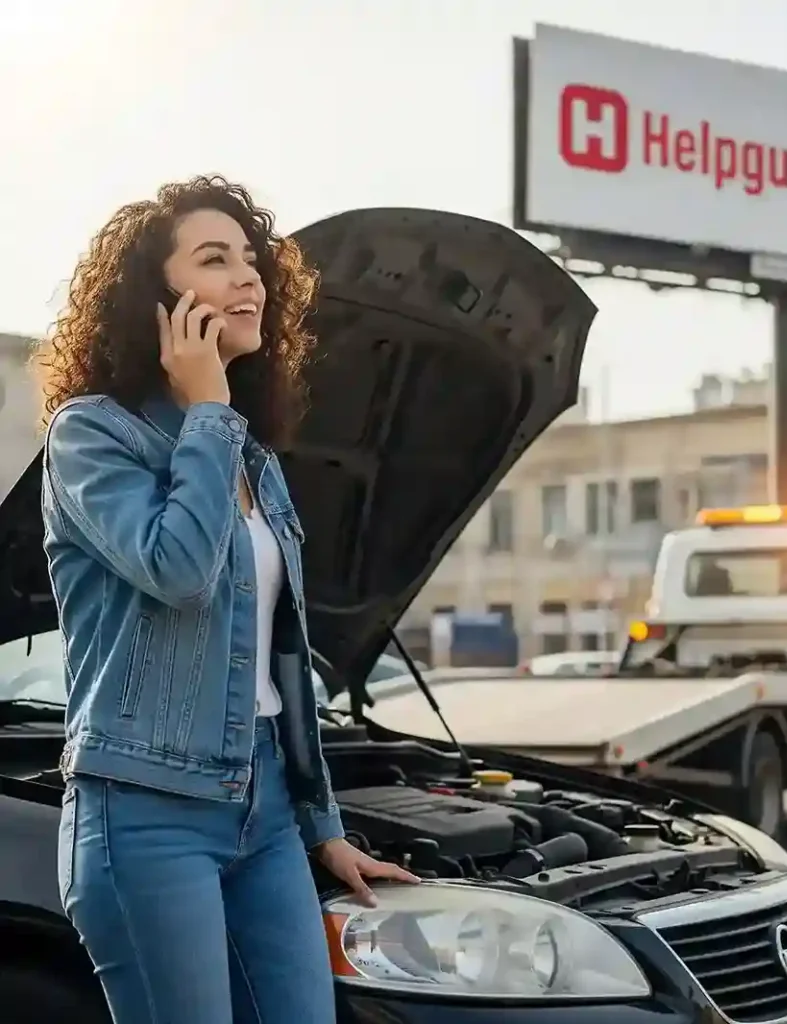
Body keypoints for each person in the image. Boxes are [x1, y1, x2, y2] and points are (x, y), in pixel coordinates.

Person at [33, 175, 418, 1024]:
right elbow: (176, 568)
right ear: (155, 299)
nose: (251, 277)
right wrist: (209, 408)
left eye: (252, 259)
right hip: (143, 813)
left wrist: (321, 822)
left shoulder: (255, 460)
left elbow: (281, 652)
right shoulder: (92, 435)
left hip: (268, 813)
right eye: (216, 259)